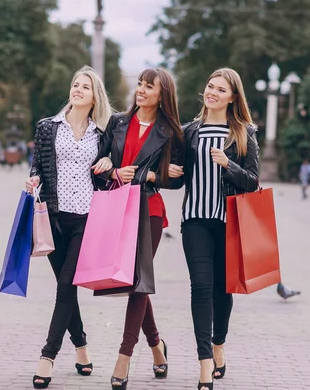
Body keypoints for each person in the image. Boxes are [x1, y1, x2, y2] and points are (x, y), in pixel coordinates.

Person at [24, 66, 114, 389]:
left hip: (85, 221)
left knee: (66, 285)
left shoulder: (103, 134)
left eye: (85, 87)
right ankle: (82, 349)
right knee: (68, 290)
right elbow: (39, 165)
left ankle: (47, 356)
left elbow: (110, 168)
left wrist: (109, 164)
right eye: (75, 85)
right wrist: (34, 178)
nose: (77, 90)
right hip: (52, 220)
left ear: (94, 97)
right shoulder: (48, 128)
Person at [95, 68, 184, 390]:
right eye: (140, 85)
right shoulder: (117, 122)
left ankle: (124, 356)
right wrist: (112, 170)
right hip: (116, 208)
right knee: (136, 281)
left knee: (137, 282)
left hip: (149, 212)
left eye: (150, 87)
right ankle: (157, 347)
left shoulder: (171, 132)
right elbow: (100, 165)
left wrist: (148, 176)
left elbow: (177, 178)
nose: (141, 90)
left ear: (163, 95)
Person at [172, 68, 259, 390]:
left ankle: (219, 343)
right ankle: (205, 361)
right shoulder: (189, 132)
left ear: (233, 97)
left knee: (223, 290)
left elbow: (252, 182)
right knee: (201, 289)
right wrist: (167, 172)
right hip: (195, 220)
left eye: (221, 90)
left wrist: (228, 164)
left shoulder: (242, 133)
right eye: (210, 87)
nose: (213, 93)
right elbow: (178, 179)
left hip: (229, 222)